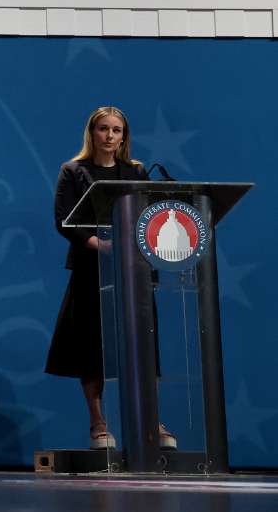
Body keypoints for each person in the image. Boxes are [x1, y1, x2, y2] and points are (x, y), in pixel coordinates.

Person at [44, 106, 176, 451]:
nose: (110, 136)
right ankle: (98, 424)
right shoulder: (73, 170)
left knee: (143, 344)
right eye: (104, 129)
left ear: (124, 136)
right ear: (92, 133)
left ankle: (152, 421)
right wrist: (99, 245)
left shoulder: (135, 171)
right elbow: (64, 220)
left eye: (117, 130)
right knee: (91, 346)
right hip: (92, 268)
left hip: (133, 269)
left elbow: (150, 215)